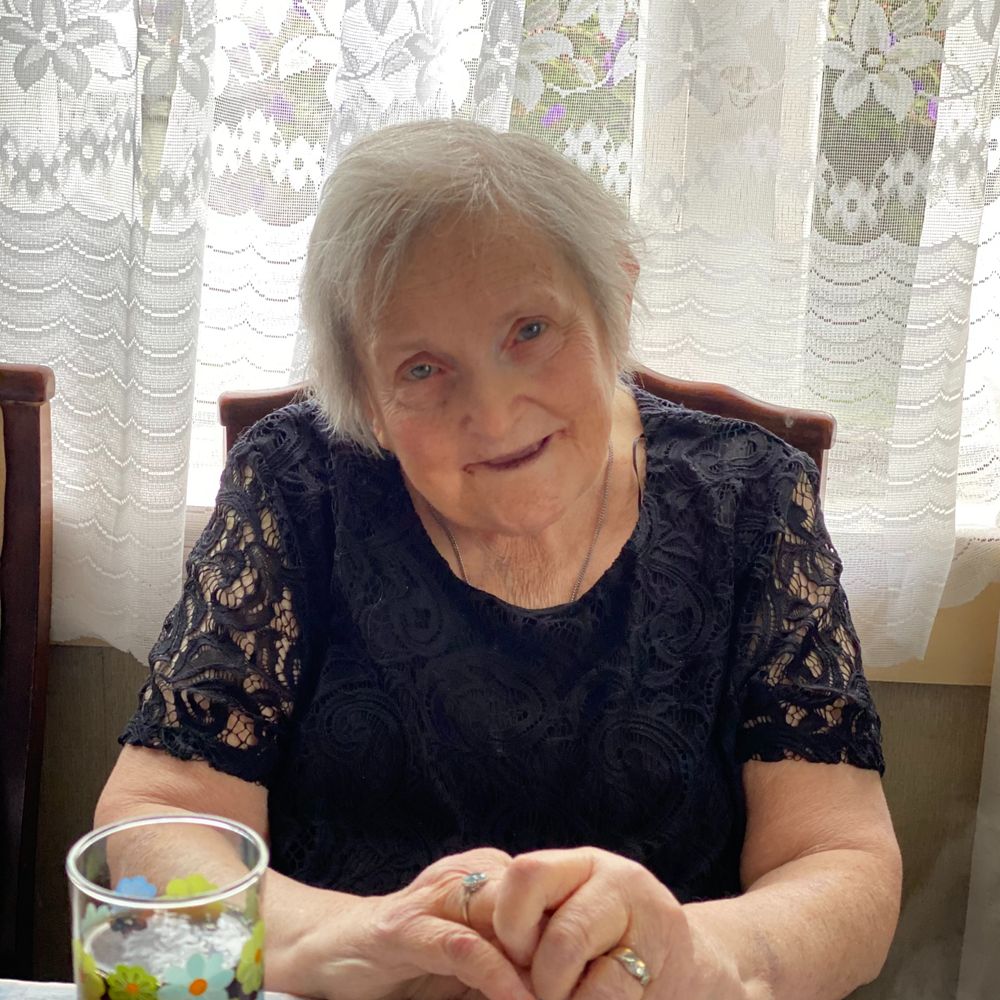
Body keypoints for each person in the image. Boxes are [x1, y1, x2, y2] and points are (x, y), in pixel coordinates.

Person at [97, 119, 901, 1000]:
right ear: (365, 396)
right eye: (421, 369)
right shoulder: (299, 482)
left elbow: (840, 860)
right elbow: (155, 817)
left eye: (530, 329)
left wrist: (698, 956)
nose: (492, 411)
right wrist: (355, 937)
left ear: (615, 300)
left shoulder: (749, 497)